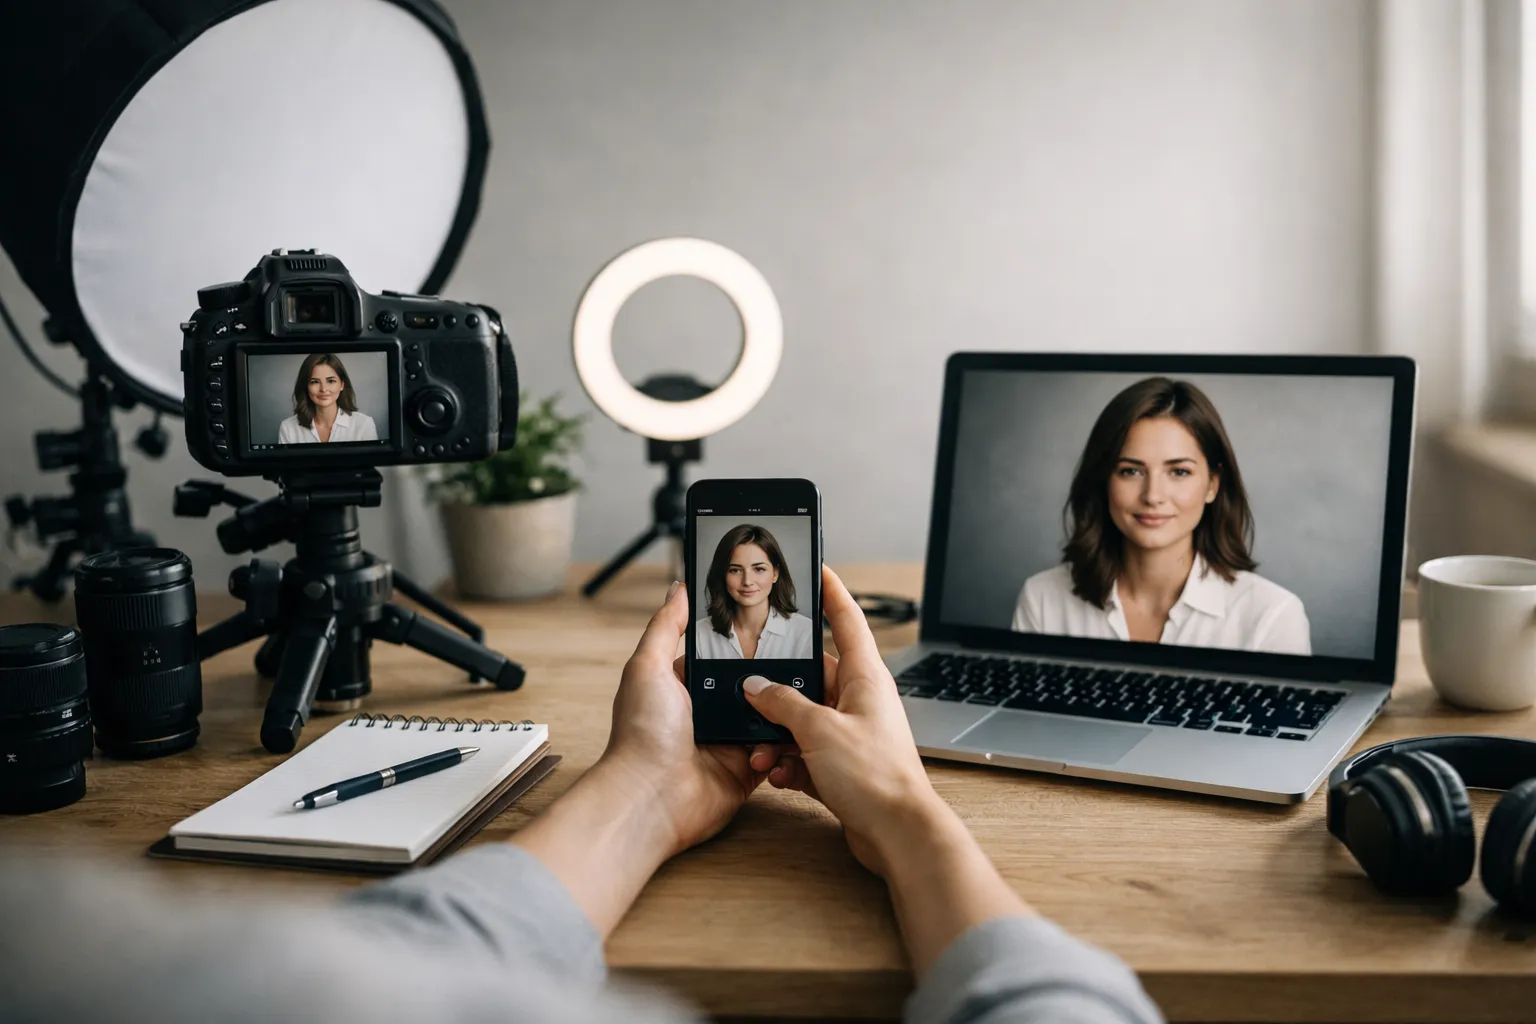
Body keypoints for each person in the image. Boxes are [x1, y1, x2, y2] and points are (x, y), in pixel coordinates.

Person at [0, 568, 1164, 1024]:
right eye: (744, 568)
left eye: (769, 568)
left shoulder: (54, 953)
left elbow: (396, 965)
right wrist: (908, 814)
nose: (757, 583)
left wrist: (649, 789)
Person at [1013, 376, 1310, 655]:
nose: (1153, 495)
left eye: (1179, 472)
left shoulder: (1272, 616)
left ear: (1212, 485)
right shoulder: (1043, 599)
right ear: (1104, 480)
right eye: (1130, 471)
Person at [694, 523, 815, 659]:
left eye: (759, 569)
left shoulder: (806, 632)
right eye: (735, 570)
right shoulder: (698, 634)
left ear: (775, 574)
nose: (747, 581)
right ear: (723, 575)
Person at [277, 352, 379, 444]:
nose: (323, 389)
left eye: (330, 381)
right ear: (306, 386)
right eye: (315, 382)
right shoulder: (288, 428)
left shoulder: (364, 425)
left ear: (342, 384)